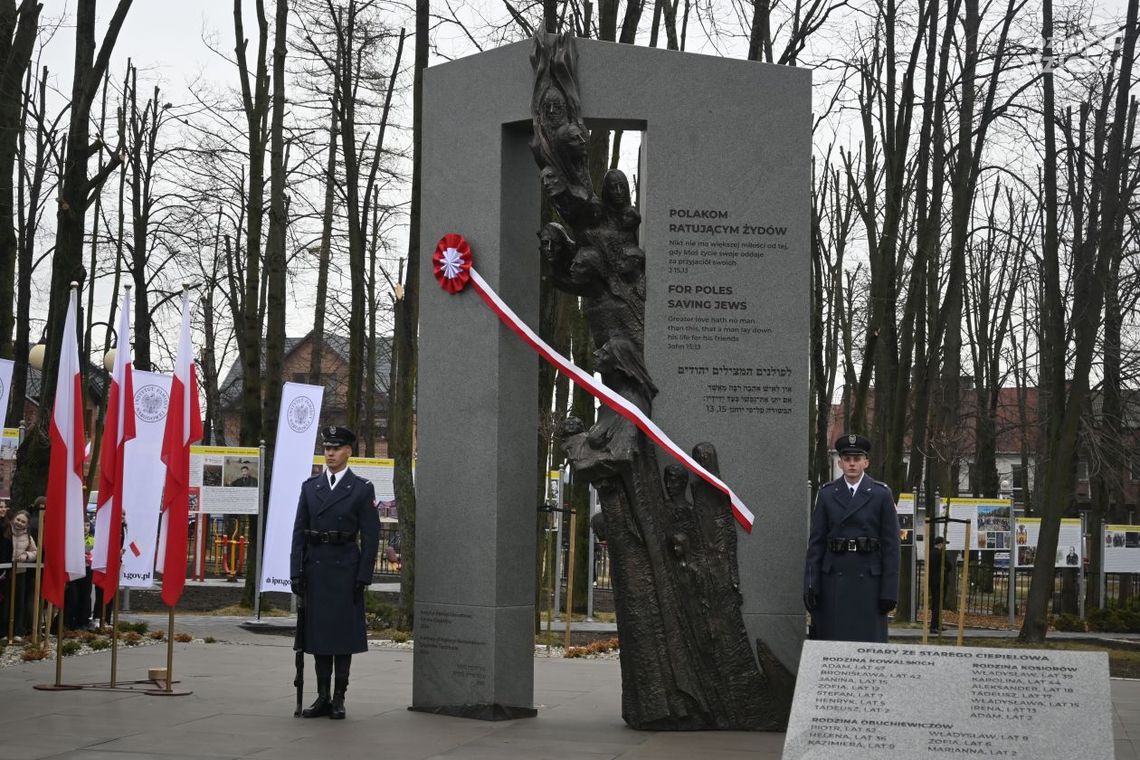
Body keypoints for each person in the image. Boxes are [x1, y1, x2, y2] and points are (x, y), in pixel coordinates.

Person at [290, 425, 380, 720]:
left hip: (345, 571)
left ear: (348, 452)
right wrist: (296, 572)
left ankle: (339, 697)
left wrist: (363, 576)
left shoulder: (361, 488)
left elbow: (371, 536)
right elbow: (298, 533)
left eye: (336, 448)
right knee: (318, 637)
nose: (330, 453)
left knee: (342, 637)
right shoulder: (310, 487)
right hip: (316, 569)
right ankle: (322, 696)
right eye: (327, 448)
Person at [803, 433, 901, 643]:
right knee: (833, 644)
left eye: (857, 459)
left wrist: (890, 591)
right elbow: (816, 545)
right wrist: (811, 585)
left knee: (867, 644)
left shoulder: (881, 494)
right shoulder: (827, 494)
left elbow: (891, 547)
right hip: (833, 583)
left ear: (866, 462)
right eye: (847, 459)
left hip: (869, 584)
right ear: (840, 463)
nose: (852, 464)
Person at [9, 509, 37, 636]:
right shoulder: (7, 531)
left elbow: (35, 552)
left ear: (27, 524)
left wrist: (26, 555)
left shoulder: (28, 537)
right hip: (6, 572)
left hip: (20, 572)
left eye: (23, 522)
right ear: (14, 518)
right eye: (18, 519)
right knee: (6, 602)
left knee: (19, 602)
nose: (19, 523)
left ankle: (17, 630)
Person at [928, 536, 948, 633]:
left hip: (933, 581)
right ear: (940, 544)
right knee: (939, 604)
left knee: (935, 603)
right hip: (941, 581)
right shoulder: (941, 554)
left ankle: (936, 624)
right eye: (944, 544)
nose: (944, 546)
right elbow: (949, 565)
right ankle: (934, 626)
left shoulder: (931, 553)